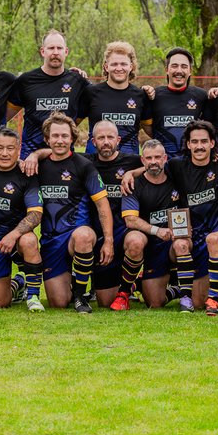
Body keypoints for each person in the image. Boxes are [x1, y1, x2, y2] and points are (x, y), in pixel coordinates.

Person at [35, 112, 112, 312]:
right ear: (47, 139)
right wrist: (34, 155)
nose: (60, 141)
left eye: (64, 136)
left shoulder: (84, 166)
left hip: (76, 236)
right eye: (55, 136)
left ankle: (80, 297)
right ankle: (72, 286)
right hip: (51, 241)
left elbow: (103, 205)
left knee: (84, 236)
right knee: (58, 302)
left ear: (72, 138)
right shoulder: (38, 166)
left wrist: (109, 241)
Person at [165, 120, 218, 316]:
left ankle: (215, 298)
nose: (199, 146)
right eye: (194, 141)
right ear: (188, 144)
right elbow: (153, 167)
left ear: (212, 143)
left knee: (214, 239)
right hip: (192, 235)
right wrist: (131, 174)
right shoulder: (177, 165)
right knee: (196, 301)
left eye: (204, 141)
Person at [0, 127, 44, 311]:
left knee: (29, 240)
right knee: (0, 302)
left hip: (14, 239)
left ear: (19, 149)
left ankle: (33, 297)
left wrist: (14, 235)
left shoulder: (27, 174)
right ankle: (19, 283)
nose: (5, 153)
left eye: (10, 148)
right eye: (0, 148)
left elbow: (35, 214)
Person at [114, 140, 184, 310]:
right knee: (154, 303)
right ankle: (124, 292)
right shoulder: (132, 184)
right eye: (149, 158)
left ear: (165, 158)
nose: (153, 161)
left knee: (184, 245)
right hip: (148, 240)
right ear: (142, 160)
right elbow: (130, 220)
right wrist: (157, 230)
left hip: (171, 242)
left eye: (158, 157)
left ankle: (181, 289)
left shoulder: (177, 177)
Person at [83, 120, 141, 308]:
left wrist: (132, 172)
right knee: (105, 301)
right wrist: (34, 155)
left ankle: (130, 283)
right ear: (93, 141)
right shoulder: (85, 163)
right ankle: (128, 284)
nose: (106, 142)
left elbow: (157, 164)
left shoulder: (132, 160)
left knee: (136, 241)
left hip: (124, 232)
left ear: (118, 139)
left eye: (110, 137)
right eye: (101, 138)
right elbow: (54, 154)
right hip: (98, 234)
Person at [10, 31, 89, 159]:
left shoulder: (78, 81)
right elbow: (4, 116)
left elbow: (93, 106)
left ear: (66, 51)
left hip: (64, 155)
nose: (55, 52)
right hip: (30, 157)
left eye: (59, 48)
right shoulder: (26, 81)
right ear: (42, 51)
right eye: (51, 48)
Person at [81, 41, 148, 155]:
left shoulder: (141, 95)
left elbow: (152, 130)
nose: (119, 68)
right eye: (114, 64)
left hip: (129, 163)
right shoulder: (91, 93)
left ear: (131, 67)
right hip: (96, 163)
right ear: (106, 67)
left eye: (123, 64)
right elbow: (71, 123)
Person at [147, 47, 208, 157]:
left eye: (184, 67)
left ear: (190, 71)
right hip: (163, 163)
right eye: (174, 66)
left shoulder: (202, 96)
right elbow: (146, 126)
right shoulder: (154, 95)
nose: (179, 71)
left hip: (191, 163)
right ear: (166, 69)